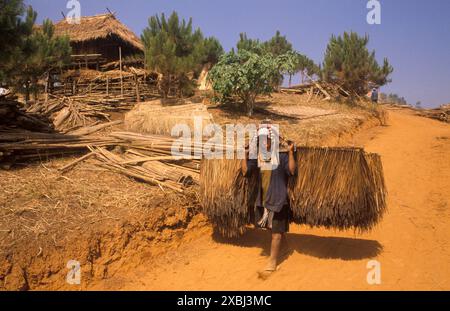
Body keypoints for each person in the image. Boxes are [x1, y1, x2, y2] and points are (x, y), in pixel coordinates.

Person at [241, 125, 296, 273]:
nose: (265, 143)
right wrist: (245, 155)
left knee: (275, 233)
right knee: (269, 228)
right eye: (261, 140)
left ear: (273, 140)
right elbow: (246, 172)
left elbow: (291, 171)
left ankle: (272, 262)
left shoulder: (282, 156)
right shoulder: (257, 157)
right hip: (263, 199)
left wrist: (290, 153)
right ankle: (285, 248)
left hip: (278, 199)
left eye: (268, 140)